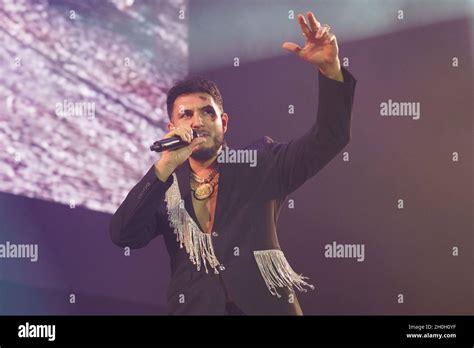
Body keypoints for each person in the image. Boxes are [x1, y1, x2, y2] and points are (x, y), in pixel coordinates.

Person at [110, 11, 357, 315]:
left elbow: (329, 138)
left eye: (207, 112)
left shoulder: (260, 163)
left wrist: (330, 68)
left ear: (223, 122)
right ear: (171, 126)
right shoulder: (164, 188)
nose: (197, 121)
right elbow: (123, 235)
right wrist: (165, 165)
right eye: (186, 115)